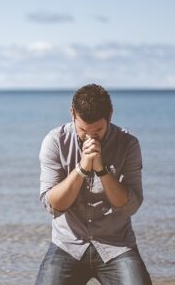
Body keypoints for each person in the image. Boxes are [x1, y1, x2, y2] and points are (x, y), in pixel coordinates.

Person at [35, 84, 152, 285]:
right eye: (82, 130)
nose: (90, 137)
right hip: (68, 245)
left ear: (110, 116)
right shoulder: (55, 141)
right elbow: (54, 206)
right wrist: (82, 168)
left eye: (98, 130)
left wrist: (101, 170)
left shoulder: (128, 143)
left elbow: (130, 206)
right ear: (72, 114)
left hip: (116, 245)